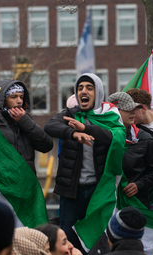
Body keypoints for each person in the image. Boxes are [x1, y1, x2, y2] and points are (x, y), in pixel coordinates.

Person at [44, 73, 126, 253]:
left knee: (98, 240)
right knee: (68, 240)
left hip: (99, 191)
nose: (84, 91)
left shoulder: (110, 115)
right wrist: (73, 133)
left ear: (98, 92)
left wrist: (86, 129)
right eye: (80, 88)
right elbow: (49, 126)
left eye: (89, 88)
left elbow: (115, 138)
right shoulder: (69, 114)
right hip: (71, 192)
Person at [107, 92, 153, 208]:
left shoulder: (144, 138)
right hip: (107, 201)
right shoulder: (101, 136)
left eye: (134, 108)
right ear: (113, 112)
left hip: (136, 203)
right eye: (128, 109)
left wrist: (139, 185)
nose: (133, 112)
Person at [0, 80, 53, 174]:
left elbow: (46, 146)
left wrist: (25, 122)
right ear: (2, 100)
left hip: (25, 183)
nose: (19, 101)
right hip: (2, 185)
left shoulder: (25, 120)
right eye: (13, 97)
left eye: (21, 97)